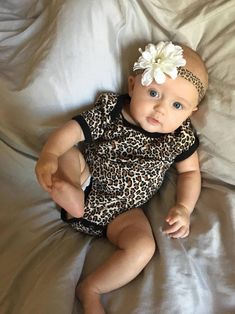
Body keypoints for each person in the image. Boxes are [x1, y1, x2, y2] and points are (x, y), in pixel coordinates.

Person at [35, 41, 208, 314]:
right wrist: (50, 154)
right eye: (153, 92)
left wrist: (183, 208)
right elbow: (72, 130)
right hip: (88, 181)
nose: (160, 109)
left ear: (190, 112)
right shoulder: (111, 111)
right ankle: (71, 192)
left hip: (124, 213)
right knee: (69, 151)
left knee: (143, 247)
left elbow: (190, 172)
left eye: (177, 105)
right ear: (132, 85)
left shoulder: (180, 137)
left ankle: (92, 289)